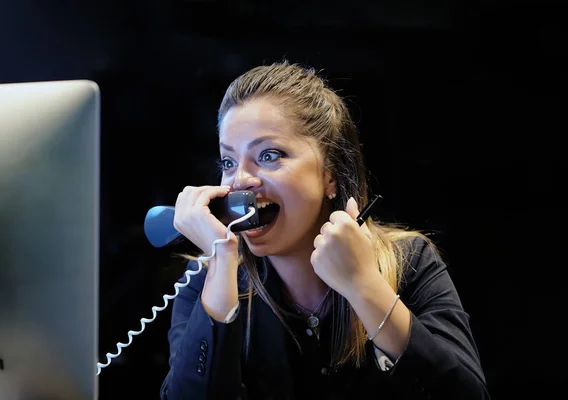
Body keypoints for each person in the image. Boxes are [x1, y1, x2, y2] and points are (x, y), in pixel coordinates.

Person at [160, 61, 489, 399]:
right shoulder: (209, 278)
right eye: (228, 162)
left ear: (329, 173)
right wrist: (221, 262)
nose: (240, 181)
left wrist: (364, 286)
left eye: (269, 155)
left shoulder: (410, 261)